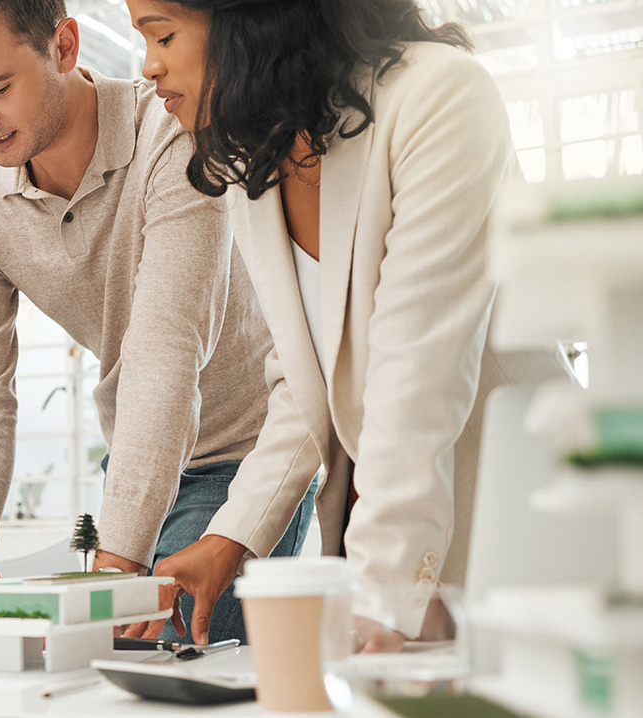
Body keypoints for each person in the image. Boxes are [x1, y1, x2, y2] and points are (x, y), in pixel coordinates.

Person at [125, 0, 571, 643]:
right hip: (391, 528)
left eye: (162, 35)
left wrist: (382, 594)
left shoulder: (440, 95)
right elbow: (305, 382)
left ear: (251, 19)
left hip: (514, 523)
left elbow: (417, 378)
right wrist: (231, 536)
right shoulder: (261, 160)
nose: (148, 67)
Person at [0, 0, 314, 644]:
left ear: (64, 46)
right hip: (137, 463)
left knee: (156, 656)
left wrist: (112, 582)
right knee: (97, 667)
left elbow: (163, 357)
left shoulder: (175, 135)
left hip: (246, 458)